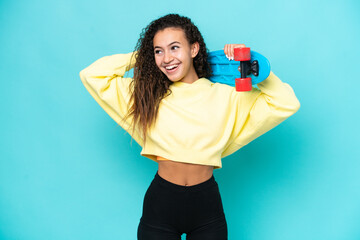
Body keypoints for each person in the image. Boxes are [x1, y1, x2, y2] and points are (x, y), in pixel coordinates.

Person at [79, 13, 300, 240]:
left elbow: (286, 102)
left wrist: (253, 65)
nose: (166, 58)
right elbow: (91, 75)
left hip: (207, 207)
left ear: (194, 50)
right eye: (158, 51)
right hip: (161, 205)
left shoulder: (227, 95)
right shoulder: (146, 94)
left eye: (174, 48)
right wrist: (143, 56)